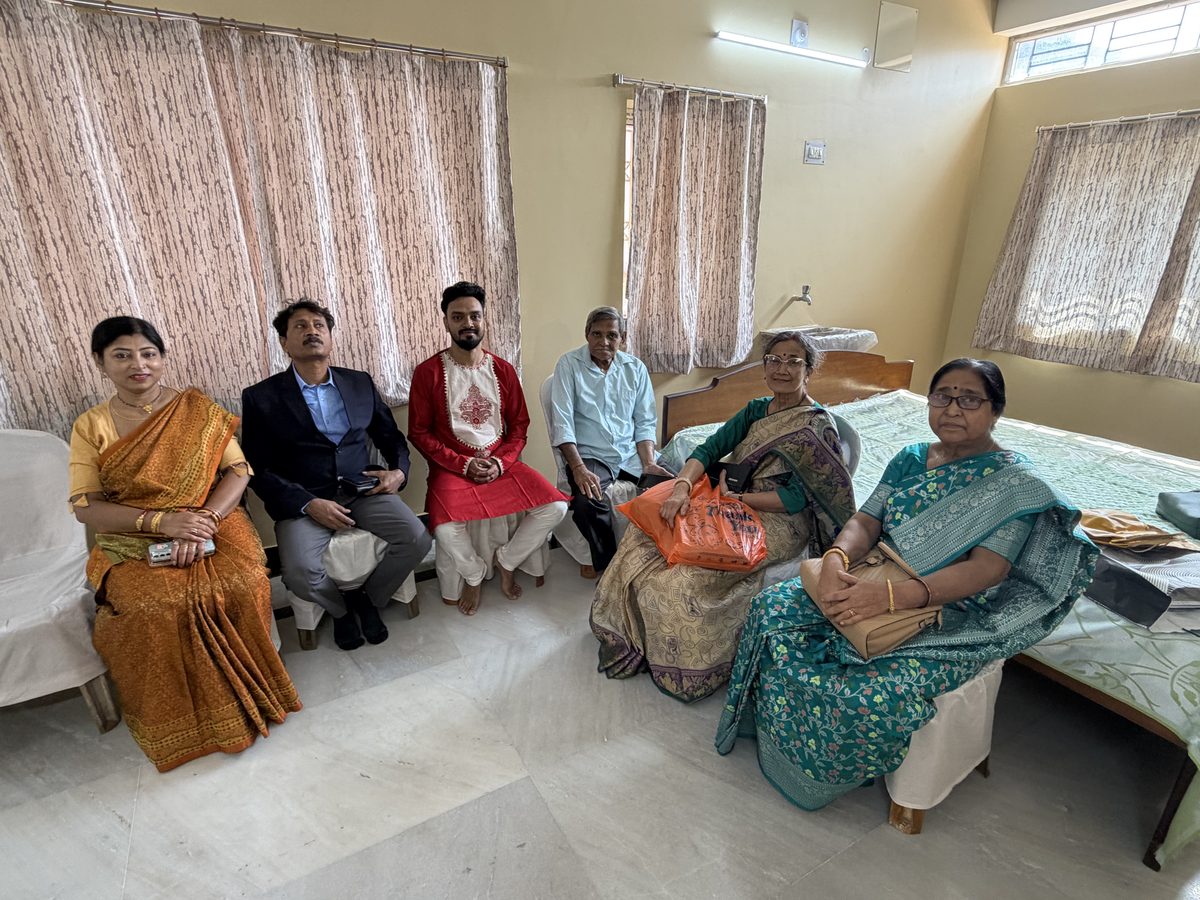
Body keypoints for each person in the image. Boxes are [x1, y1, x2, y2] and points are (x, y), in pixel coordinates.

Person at [715, 359, 1098, 810]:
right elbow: (866, 519)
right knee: (773, 609)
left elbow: (987, 570)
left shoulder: (1012, 483)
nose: (952, 409)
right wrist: (837, 557)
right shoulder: (912, 458)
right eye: (942, 396)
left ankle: (814, 776)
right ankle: (776, 734)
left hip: (948, 609)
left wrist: (890, 598)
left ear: (996, 410)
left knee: (866, 689)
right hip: (873, 572)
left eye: (970, 399)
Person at [68, 316, 300, 772]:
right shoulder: (91, 425)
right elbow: (86, 506)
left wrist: (207, 520)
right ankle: (183, 719)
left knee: (240, 579)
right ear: (100, 363)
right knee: (150, 605)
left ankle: (253, 690)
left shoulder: (197, 409)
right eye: (122, 355)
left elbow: (238, 471)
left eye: (148, 353)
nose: (139, 364)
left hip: (212, 518)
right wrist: (162, 521)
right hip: (134, 532)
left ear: (162, 358)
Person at [590, 331, 857, 702]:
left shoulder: (815, 428)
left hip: (777, 520)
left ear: (808, 370)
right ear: (764, 367)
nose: (782, 368)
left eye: (793, 361)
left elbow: (798, 499)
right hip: (729, 503)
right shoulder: (755, 410)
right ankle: (634, 640)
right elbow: (711, 446)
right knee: (643, 537)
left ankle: (687, 668)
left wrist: (743, 498)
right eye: (774, 360)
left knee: (681, 579)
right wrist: (683, 484)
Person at [241, 299, 432, 651]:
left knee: (417, 538)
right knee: (298, 572)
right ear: (284, 342)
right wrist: (306, 503)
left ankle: (370, 599)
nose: (311, 331)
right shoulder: (260, 398)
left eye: (319, 325)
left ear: (330, 338)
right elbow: (257, 468)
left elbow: (392, 439)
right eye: (300, 326)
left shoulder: (359, 383)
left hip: (364, 491)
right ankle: (341, 609)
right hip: (304, 500)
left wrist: (398, 474)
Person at [409, 281, 568, 615]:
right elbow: (419, 432)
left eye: (474, 316)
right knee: (443, 525)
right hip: (454, 468)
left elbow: (520, 426)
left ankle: (508, 561)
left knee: (555, 508)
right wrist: (462, 464)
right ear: (446, 322)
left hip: (502, 465)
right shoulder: (427, 373)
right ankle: (474, 573)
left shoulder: (503, 370)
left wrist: (500, 462)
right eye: (458, 316)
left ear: (484, 320)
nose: (468, 323)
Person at [549, 306, 673, 573]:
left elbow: (645, 421)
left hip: (630, 453)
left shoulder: (635, 368)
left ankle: (661, 557)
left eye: (612, 335)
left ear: (623, 338)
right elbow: (562, 423)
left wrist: (649, 463)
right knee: (586, 503)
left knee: (678, 484)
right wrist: (578, 468)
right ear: (586, 334)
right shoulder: (569, 365)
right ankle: (609, 565)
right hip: (591, 455)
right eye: (597, 334)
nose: (603, 342)